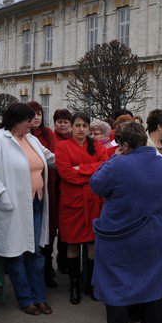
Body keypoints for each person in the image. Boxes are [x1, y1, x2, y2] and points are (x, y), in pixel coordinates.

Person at [89, 122, 162, 323]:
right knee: (152, 285)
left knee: (116, 288)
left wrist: (112, 159)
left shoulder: (118, 163)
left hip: (120, 237)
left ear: (124, 145)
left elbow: (96, 185)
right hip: (154, 236)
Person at [0, 103, 55, 316]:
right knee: (16, 253)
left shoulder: (32, 139)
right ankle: (26, 299)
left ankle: (40, 297)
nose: (32, 124)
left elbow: (50, 158)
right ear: (14, 121)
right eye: (27, 121)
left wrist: (78, 160)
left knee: (36, 252)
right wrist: (3, 196)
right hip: (12, 206)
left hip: (36, 203)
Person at [55, 112, 109, 304]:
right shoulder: (62, 146)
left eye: (84, 126)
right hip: (72, 203)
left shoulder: (97, 146)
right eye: (77, 125)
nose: (81, 129)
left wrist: (81, 168)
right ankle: (74, 286)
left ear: (89, 128)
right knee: (72, 244)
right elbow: (66, 173)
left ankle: (91, 284)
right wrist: (91, 170)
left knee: (92, 243)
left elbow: (105, 166)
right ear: (72, 127)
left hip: (93, 201)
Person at [26, 102, 60, 288]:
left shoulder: (47, 134)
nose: (37, 117)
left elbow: (55, 156)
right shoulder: (23, 136)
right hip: (29, 191)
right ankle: (33, 273)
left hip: (48, 188)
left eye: (39, 113)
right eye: (33, 114)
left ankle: (47, 270)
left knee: (48, 231)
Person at [51, 109, 72, 274]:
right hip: (53, 185)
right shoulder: (52, 138)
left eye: (66, 122)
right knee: (52, 225)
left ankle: (64, 259)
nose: (63, 125)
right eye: (60, 122)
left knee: (66, 226)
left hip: (68, 186)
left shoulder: (74, 139)